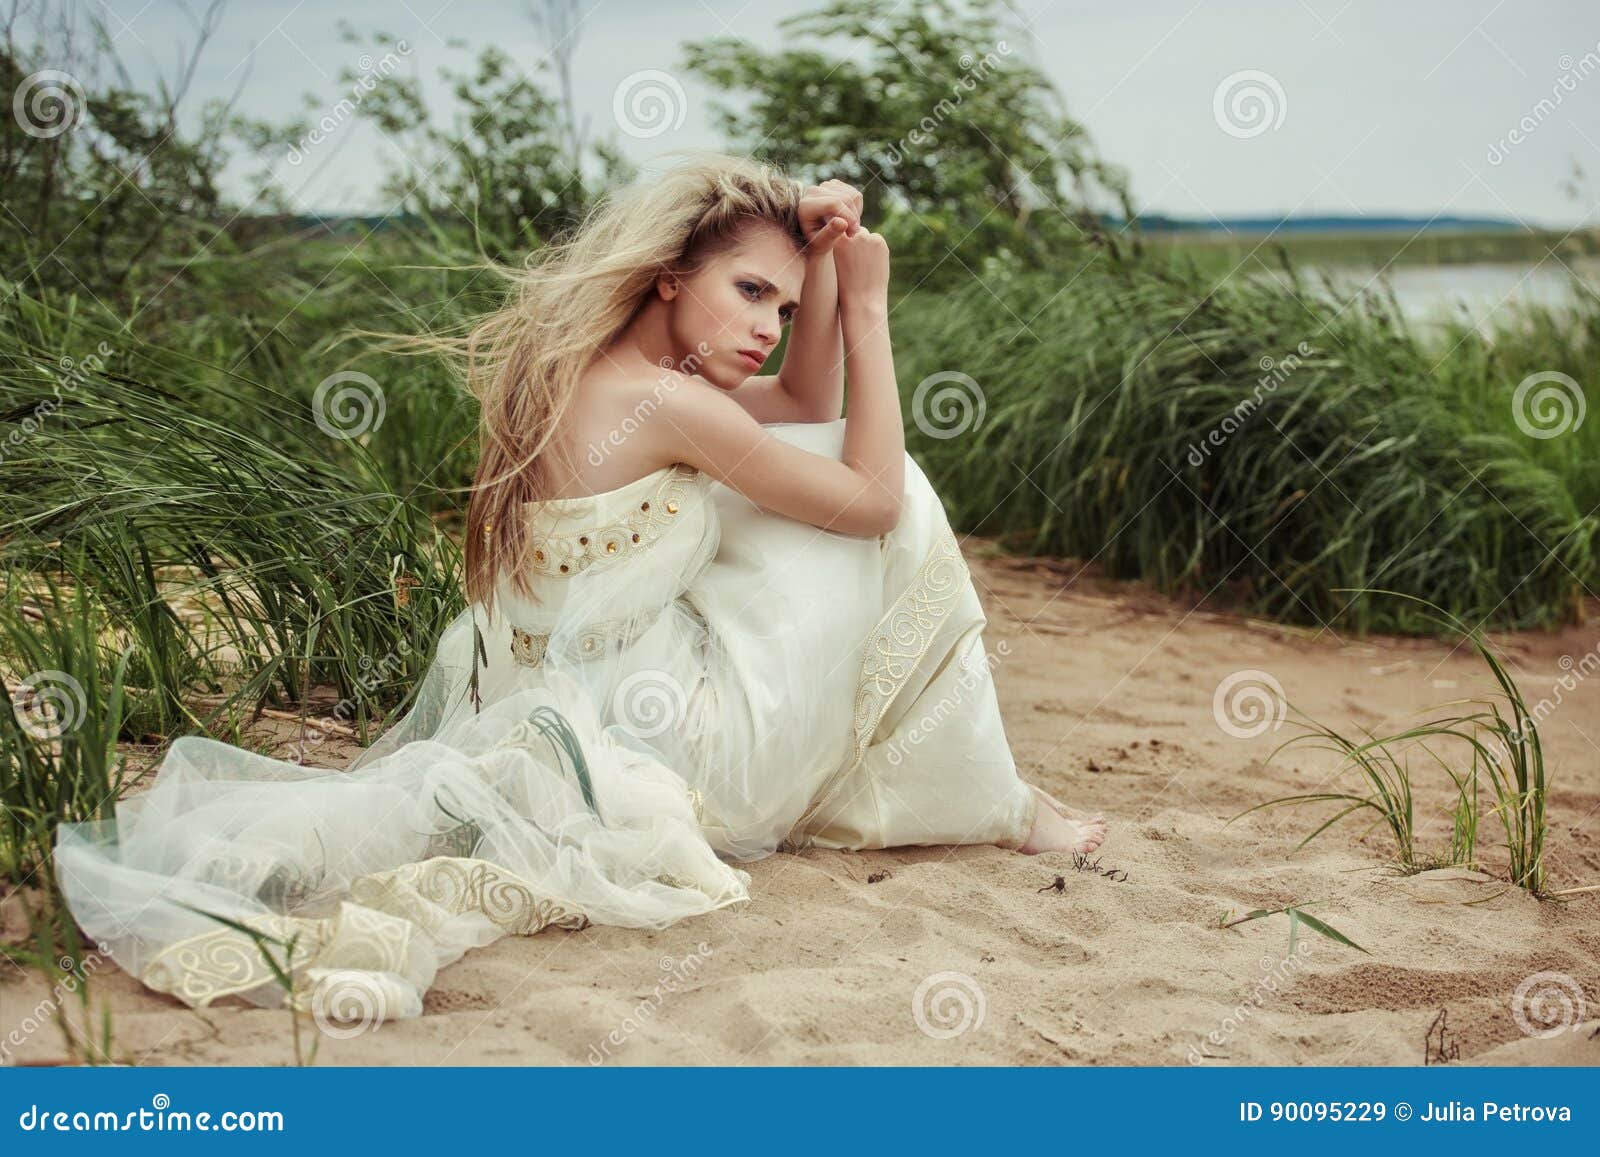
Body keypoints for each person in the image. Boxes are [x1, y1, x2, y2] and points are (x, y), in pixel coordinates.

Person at [52, 155, 1107, 1026]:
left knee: (821, 471)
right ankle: (989, 797)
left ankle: (961, 787)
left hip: (580, 700)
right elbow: (869, 498)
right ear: (665, 276)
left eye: (781, 307)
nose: (766, 326)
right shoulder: (663, 401)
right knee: (900, 490)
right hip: (664, 742)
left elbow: (795, 404)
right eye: (749, 292)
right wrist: (869, 308)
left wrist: (820, 263)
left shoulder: (596, 372)